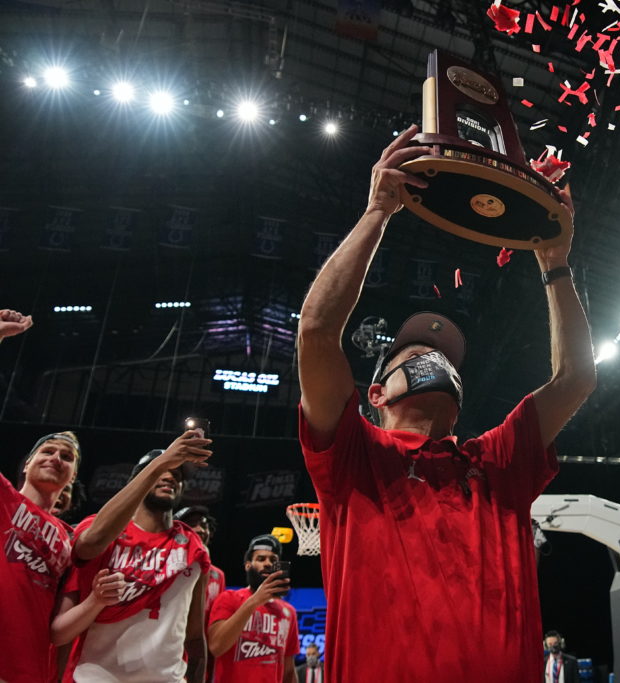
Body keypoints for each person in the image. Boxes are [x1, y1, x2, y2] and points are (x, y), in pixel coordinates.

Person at [296, 124, 596, 681]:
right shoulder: (353, 455)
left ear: (459, 400)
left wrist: (553, 261)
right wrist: (377, 213)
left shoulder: (496, 460)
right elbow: (315, 331)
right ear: (376, 393)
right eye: (412, 353)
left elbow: (577, 377)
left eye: (446, 357)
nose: (435, 358)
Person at [57, 437, 213, 683]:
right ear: (140, 479)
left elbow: (194, 636)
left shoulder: (194, 546)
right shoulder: (103, 530)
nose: (169, 476)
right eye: (160, 470)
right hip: (97, 676)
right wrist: (159, 464)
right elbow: (87, 546)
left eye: (176, 473)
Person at [0, 430, 80, 683]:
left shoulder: (72, 540)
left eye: (66, 457)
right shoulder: (5, 497)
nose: (56, 458)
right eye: (48, 451)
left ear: (73, 475)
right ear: (27, 464)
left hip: (30, 668)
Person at [207, 534, 298, 683]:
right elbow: (216, 647)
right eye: (261, 559)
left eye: (273, 560)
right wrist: (255, 601)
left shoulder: (288, 612)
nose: (267, 564)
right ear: (248, 565)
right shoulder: (228, 598)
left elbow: (288, 672)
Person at [177, 505, 227, 681]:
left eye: (203, 525)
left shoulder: (218, 575)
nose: (199, 529)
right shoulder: (169, 566)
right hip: (171, 653)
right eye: (191, 524)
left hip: (201, 655)